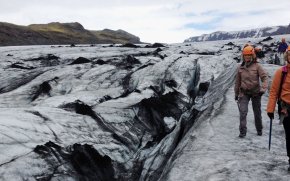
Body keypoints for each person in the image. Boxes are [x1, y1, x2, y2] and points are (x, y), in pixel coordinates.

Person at [235, 45, 268, 138]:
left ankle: (259, 129)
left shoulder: (257, 66)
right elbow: (237, 82)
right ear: (243, 56)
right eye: (245, 55)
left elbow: (264, 78)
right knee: (243, 112)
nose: (247, 57)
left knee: (257, 113)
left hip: (256, 93)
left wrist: (263, 89)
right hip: (244, 92)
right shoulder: (240, 68)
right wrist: (236, 94)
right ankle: (242, 132)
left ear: (252, 55)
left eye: (249, 55)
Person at [267, 46, 290, 171]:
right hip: (286, 109)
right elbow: (274, 92)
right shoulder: (281, 72)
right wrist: (270, 109)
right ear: (287, 56)